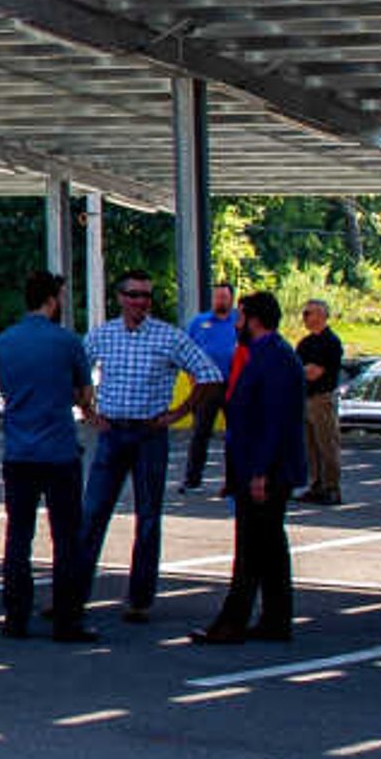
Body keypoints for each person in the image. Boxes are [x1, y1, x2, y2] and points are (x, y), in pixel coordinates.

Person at [79, 271, 225, 626]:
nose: (140, 302)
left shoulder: (168, 336)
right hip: (112, 431)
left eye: (146, 296)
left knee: (147, 518)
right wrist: (89, 410)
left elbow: (210, 374)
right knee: (92, 513)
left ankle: (140, 599)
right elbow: (77, 371)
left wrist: (179, 412)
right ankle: (73, 593)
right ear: (120, 297)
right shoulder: (103, 334)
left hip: (148, 433)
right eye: (134, 295)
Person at [0, 271, 95, 642]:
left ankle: (15, 616)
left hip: (18, 450)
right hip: (59, 450)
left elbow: (4, 386)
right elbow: (84, 393)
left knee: (18, 536)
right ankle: (68, 619)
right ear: (52, 299)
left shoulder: (4, 342)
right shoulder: (67, 342)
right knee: (66, 539)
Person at [195, 292, 306, 645]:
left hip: (265, 469)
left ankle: (233, 621)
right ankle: (275, 618)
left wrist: (259, 471)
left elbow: (272, 419)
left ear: (255, 320)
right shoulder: (270, 354)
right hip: (262, 465)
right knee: (270, 546)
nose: (236, 325)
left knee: (251, 548)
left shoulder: (271, 357)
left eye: (241, 318)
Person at [180, 278, 239, 490]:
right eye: (216, 296)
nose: (219, 300)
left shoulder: (240, 321)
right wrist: (192, 378)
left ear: (231, 298)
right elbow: (185, 352)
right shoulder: (199, 322)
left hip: (233, 385)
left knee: (236, 435)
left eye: (223, 296)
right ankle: (192, 479)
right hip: (206, 385)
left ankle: (233, 481)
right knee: (200, 433)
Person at [295, 298, 347, 504]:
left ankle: (331, 488)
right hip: (305, 398)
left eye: (309, 313)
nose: (305, 317)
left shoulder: (331, 342)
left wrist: (302, 371)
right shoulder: (305, 343)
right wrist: (302, 371)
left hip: (322, 399)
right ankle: (315, 485)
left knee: (327, 444)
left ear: (322, 315)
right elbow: (297, 370)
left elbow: (315, 372)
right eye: (304, 313)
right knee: (310, 446)